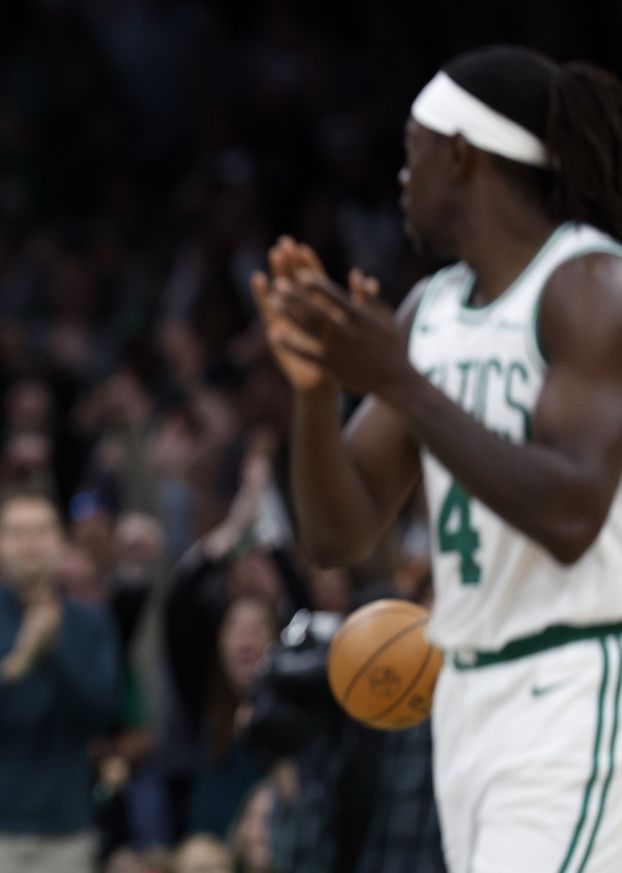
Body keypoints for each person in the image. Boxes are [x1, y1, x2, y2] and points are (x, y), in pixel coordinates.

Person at [253, 46, 622, 872]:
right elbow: (339, 538)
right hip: (465, 696)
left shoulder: (588, 286)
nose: (402, 175)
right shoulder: (433, 310)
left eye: (413, 147)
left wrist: (400, 382)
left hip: (575, 683)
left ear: (460, 152)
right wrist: (316, 395)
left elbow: (573, 513)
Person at [0, 491, 121, 873]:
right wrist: (16, 664)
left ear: (61, 542)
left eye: (41, 531)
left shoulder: (91, 622)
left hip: (65, 832)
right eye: (17, 532)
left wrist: (54, 652)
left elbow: (105, 715)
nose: (30, 543)